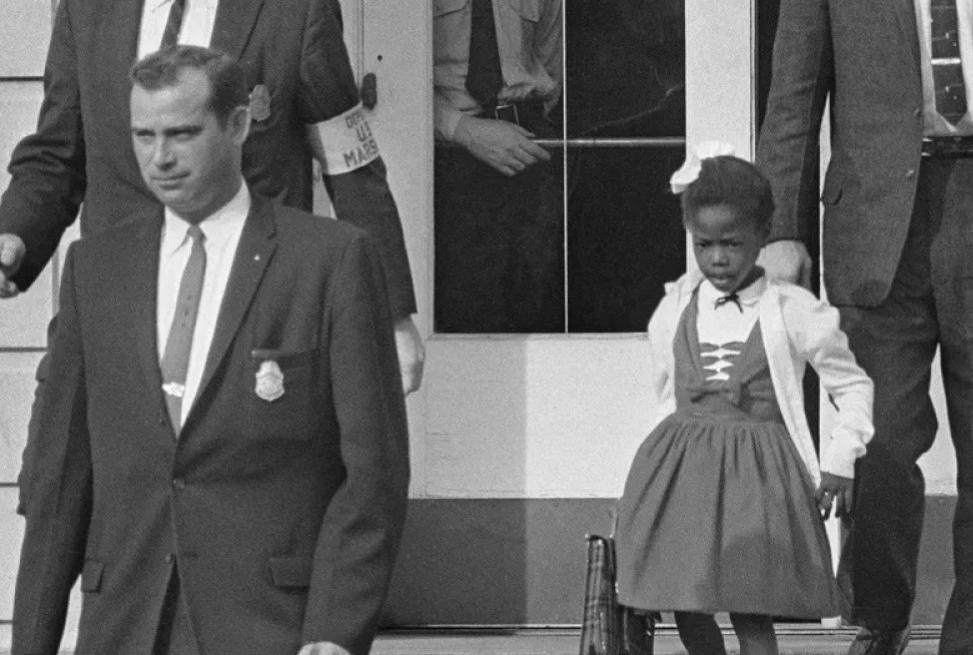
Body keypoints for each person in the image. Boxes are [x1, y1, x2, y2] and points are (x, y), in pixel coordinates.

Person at [10, 46, 409, 655]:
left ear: (239, 125)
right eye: (143, 135)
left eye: (182, 133)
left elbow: (372, 472)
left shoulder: (329, 262)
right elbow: (62, 484)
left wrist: (335, 630)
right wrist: (30, 642)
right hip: (125, 624)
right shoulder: (95, 270)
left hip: (271, 628)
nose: (160, 157)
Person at [756, 1, 973, 653]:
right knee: (876, 438)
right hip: (874, 218)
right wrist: (780, 227)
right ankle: (881, 614)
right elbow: (793, 91)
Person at [0, 0, 424, 392]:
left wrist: (391, 311)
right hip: (111, 321)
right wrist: (15, 235)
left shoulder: (296, 8)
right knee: (51, 473)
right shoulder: (87, 7)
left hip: (252, 328)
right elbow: (58, 153)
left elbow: (347, 162)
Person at [613, 145, 875, 655]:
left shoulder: (793, 312)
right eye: (703, 244)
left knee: (750, 602)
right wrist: (643, 488)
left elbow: (853, 385)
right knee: (687, 599)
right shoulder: (675, 309)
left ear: (762, 235)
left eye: (731, 243)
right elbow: (669, 395)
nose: (717, 258)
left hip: (757, 476)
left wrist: (841, 458)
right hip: (685, 471)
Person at [432, 0, 565, 332]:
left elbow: (550, 58)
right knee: (466, 309)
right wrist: (461, 129)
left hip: (527, 145)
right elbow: (390, 75)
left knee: (538, 302)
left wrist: (523, 119)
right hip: (447, 154)